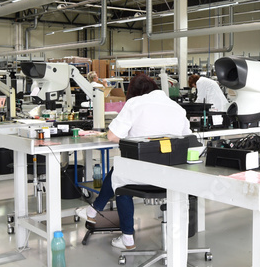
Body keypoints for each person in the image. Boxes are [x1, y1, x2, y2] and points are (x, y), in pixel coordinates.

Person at [75, 73, 191, 250]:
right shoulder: (177, 108)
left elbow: (113, 136)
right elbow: (187, 139)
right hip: (172, 176)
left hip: (143, 176)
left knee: (121, 176)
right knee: (122, 170)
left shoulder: (136, 103)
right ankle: (93, 211)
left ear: (135, 92)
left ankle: (126, 237)